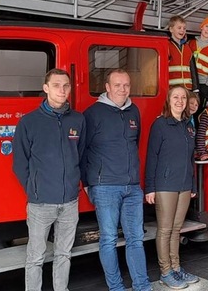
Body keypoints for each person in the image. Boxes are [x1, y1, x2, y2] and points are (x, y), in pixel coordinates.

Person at [12, 68, 85, 291]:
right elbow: (19, 164)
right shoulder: (29, 122)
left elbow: (79, 155)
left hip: (70, 202)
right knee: (35, 257)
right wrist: (34, 189)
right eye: (56, 85)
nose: (61, 90)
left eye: (66, 86)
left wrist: (73, 184)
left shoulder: (78, 119)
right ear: (45, 88)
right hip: (40, 204)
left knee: (64, 254)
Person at [81, 69, 151, 291]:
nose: (123, 89)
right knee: (109, 239)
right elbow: (82, 151)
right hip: (105, 187)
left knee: (136, 239)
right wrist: (86, 183)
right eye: (118, 85)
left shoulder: (133, 112)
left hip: (132, 187)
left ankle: (142, 286)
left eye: (126, 85)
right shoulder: (92, 114)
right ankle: (116, 288)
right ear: (107, 87)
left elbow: (135, 143)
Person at [144, 86, 199, 289]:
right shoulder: (160, 125)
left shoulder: (188, 126)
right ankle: (165, 272)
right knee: (165, 229)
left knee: (176, 229)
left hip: (184, 183)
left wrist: (192, 184)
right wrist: (150, 188)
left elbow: (190, 158)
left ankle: (176, 269)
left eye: (183, 97)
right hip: (165, 184)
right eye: (175, 97)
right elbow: (152, 157)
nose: (179, 101)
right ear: (168, 100)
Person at [188, 15, 208, 106]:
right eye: (207, 26)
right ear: (202, 27)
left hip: (203, 82)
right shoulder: (191, 42)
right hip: (190, 80)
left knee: (199, 106)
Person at [167, 15, 197, 91]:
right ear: (171, 29)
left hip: (187, 89)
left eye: (184, 28)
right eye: (179, 28)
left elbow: (193, 69)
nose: (182, 30)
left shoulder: (187, 47)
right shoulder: (167, 46)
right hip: (172, 88)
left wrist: (195, 88)